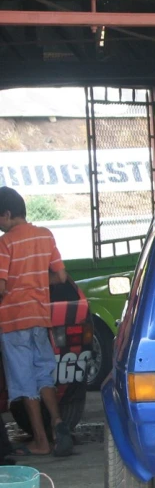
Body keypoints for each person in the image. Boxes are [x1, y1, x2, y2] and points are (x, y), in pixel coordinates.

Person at [0, 186, 73, 456]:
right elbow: (61, 277)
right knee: (44, 374)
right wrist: (38, 282)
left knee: (24, 382)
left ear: (6, 214)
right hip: (40, 318)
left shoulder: (5, 243)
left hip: (13, 320)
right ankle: (56, 423)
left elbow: (1, 285)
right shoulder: (45, 236)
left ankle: (41, 441)